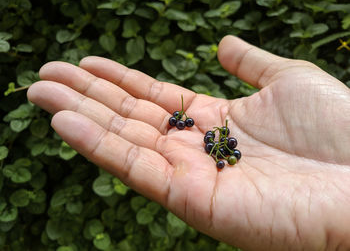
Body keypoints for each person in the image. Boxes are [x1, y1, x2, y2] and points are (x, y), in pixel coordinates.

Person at [27, 35, 350, 251]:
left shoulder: (219, 143)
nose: (218, 146)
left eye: (221, 147)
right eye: (219, 145)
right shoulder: (209, 138)